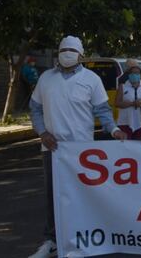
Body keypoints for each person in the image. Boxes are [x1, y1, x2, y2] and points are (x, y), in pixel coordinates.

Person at [28, 36, 127, 258]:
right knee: (53, 196)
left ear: (81, 55)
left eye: (72, 50)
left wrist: (114, 130)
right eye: (64, 49)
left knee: (82, 195)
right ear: (58, 53)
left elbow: (102, 111)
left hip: (83, 151)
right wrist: (42, 133)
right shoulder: (46, 78)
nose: (67, 53)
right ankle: (52, 241)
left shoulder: (91, 79)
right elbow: (35, 108)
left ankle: (82, 240)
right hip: (53, 149)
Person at [113, 59, 141, 140]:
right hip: (125, 121)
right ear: (129, 73)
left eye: (137, 73)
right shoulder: (122, 85)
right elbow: (117, 103)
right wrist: (131, 103)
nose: (135, 75)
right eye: (133, 73)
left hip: (140, 122)